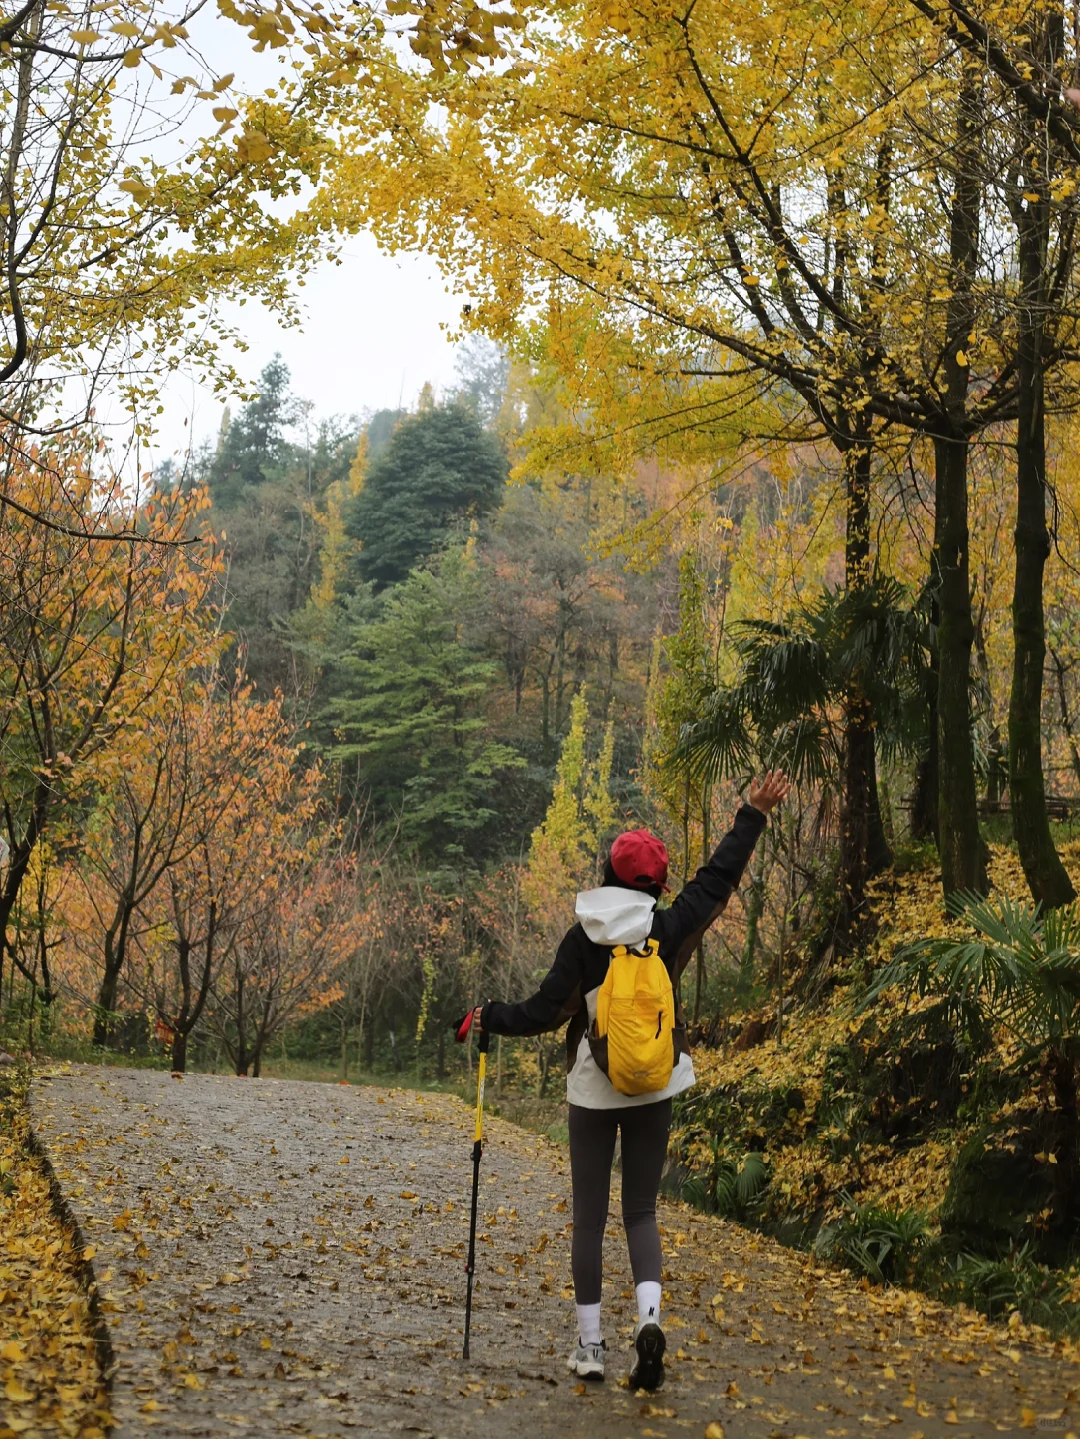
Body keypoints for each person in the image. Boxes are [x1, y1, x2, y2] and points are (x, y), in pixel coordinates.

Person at [463, 770, 790, 1392]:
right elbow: (717, 880)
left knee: (588, 1219)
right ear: (655, 885)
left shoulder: (582, 937)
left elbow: (540, 1012)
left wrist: (486, 1017)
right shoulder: (667, 928)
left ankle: (589, 1347)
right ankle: (648, 1319)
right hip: (656, 1083)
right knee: (641, 1211)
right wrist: (752, 812)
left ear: (606, 873)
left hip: (593, 1087)